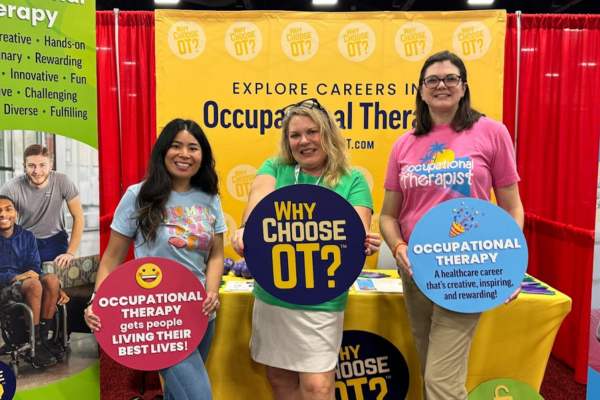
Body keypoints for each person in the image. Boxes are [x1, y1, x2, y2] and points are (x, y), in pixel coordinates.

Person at [379, 50, 524, 400]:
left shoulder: (491, 132)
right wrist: (398, 248)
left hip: (467, 271)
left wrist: (511, 263)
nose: (441, 85)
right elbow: (387, 215)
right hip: (416, 270)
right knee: (434, 369)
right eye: (432, 80)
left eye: (450, 79)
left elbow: (512, 206)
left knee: (441, 382)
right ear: (421, 90)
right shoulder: (404, 144)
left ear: (463, 87)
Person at [232, 98, 381, 400]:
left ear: (327, 133)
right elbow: (259, 201)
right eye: (295, 135)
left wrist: (363, 241)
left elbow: (356, 230)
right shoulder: (275, 167)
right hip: (274, 294)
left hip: (322, 298)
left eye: (312, 132)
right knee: (279, 378)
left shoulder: (352, 180)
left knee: (317, 387)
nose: (304, 141)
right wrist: (250, 227)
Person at [84, 119, 225, 400]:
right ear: (163, 151)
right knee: (199, 396)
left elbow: (216, 254)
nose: (184, 154)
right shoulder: (139, 195)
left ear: (203, 156)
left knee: (177, 393)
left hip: (200, 313)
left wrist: (211, 290)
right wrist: (96, 301)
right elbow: (112, 259)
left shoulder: (209, 198)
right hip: (158, 316)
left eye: (193, 148)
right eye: (176, 146)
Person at [0, 194, 70, 367]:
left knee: (52, 280)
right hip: (4, 286)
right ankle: (35, 343)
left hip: (28, 282)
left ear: (15, 212)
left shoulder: (27, 236)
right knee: (33, 284)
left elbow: (34, 267)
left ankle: (42, 341)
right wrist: (16, 277)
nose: (3, 214)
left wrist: (58, 288)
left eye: (8, 209)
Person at [0, 144, 84, 268]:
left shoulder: (63, 181)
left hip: (56, 240)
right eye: (31, 166)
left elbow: (79, 217)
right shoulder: (11, 187)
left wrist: (70, 253)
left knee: (53, 281)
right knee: (27, 282)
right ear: (24, 166)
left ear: (51, 165)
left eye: (42, 165)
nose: (37, 171)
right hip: (25, 240)